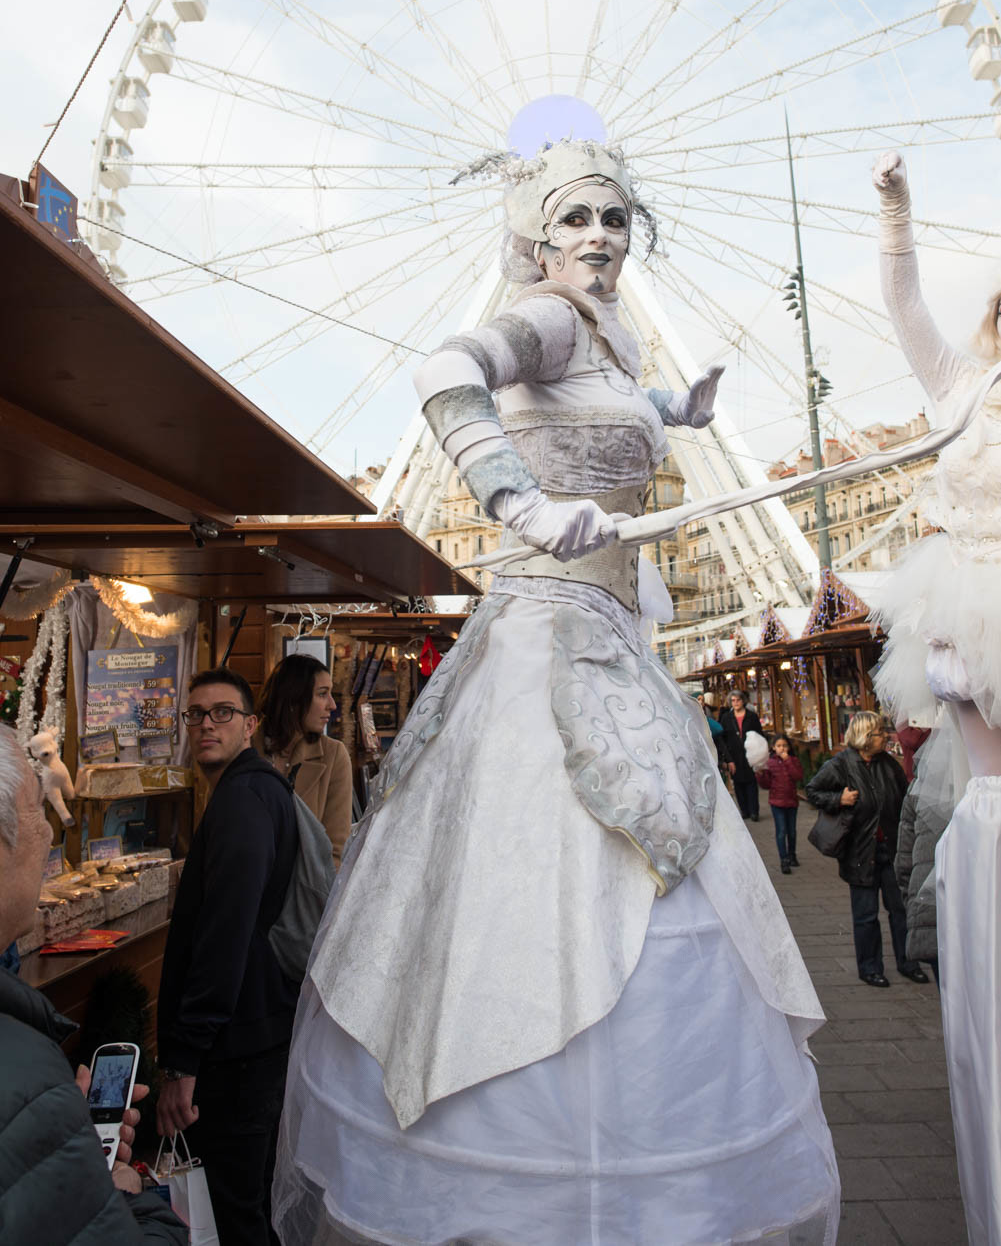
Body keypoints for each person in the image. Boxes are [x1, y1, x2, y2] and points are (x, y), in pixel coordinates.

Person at [273, 139, 839, 1246]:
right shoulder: (540, 316)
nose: (597, 236)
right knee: (541, 880)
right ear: (534, 236)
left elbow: (607, 405)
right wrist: (519, 505)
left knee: (652, 872)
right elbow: (445, 374)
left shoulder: (611, 337)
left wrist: (679, 409)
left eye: (614, 219)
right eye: (574, 218)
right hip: (540, 634)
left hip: (612, 636)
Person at [870, 149, 1001, 1244]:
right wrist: (897, 212)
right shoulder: (958, 382)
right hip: (969, 595)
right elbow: (903, 302)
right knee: (985, 801)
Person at [0, 734, 185, 1245]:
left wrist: (62, 1138)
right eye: (38, 810)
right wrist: (128, 1196)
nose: (47, 832)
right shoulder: (25, 1067)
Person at [156, 667, 299, 1246]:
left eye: (222, 713)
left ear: (250, 725)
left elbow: (225, 935)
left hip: (236, 1048)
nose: (206, 724)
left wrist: (183, 1062)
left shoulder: (243, 798)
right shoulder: (254, 790)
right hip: (255, 1033)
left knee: (236, 1213)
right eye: (196, 714)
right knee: (251, 1206)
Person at [805, 711, 929, 989]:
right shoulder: (841, 764)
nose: (885, 737)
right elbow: (813, 791)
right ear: (864, 737)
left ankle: (908, 962)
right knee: (865, 914)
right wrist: (840, 798)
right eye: (879, 733)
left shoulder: (888, 764)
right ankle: (870, 968)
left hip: (892, 849)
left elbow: (905, 798)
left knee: (900, 910)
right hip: (861, 852)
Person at [257, 653, 353, 866]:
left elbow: (335, 850)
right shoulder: (247, 749)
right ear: (293, 699)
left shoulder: (333, 755)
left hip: (304, 892)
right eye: (322, 694)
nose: (332, 705)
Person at [756, 734, 804, 874]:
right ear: (773, 748)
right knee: (781, 831)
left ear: (788, 747)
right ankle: (784, 859)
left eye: (784, 745)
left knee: (792, 831)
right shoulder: (770, 763)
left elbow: (798, 776)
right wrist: (760, 775)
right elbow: (766, 785)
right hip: (777, 802)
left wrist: (787, 760)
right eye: (779, 746)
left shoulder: (793, 760)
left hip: (791, 801)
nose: (782, 748)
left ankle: (792, 855)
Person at [719, 688, 763, 819]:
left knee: (751, 783)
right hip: (734, 756)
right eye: (733, 700)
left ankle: (754, 811)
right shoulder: (726, 718)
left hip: (750, 754)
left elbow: (759, 734)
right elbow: (723, 740)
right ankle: (744, 810)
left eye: (738, 700)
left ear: (743, 701)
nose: (736, 702)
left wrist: (760, 756)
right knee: (738, 784)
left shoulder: (752, 716)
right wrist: (728, 759)